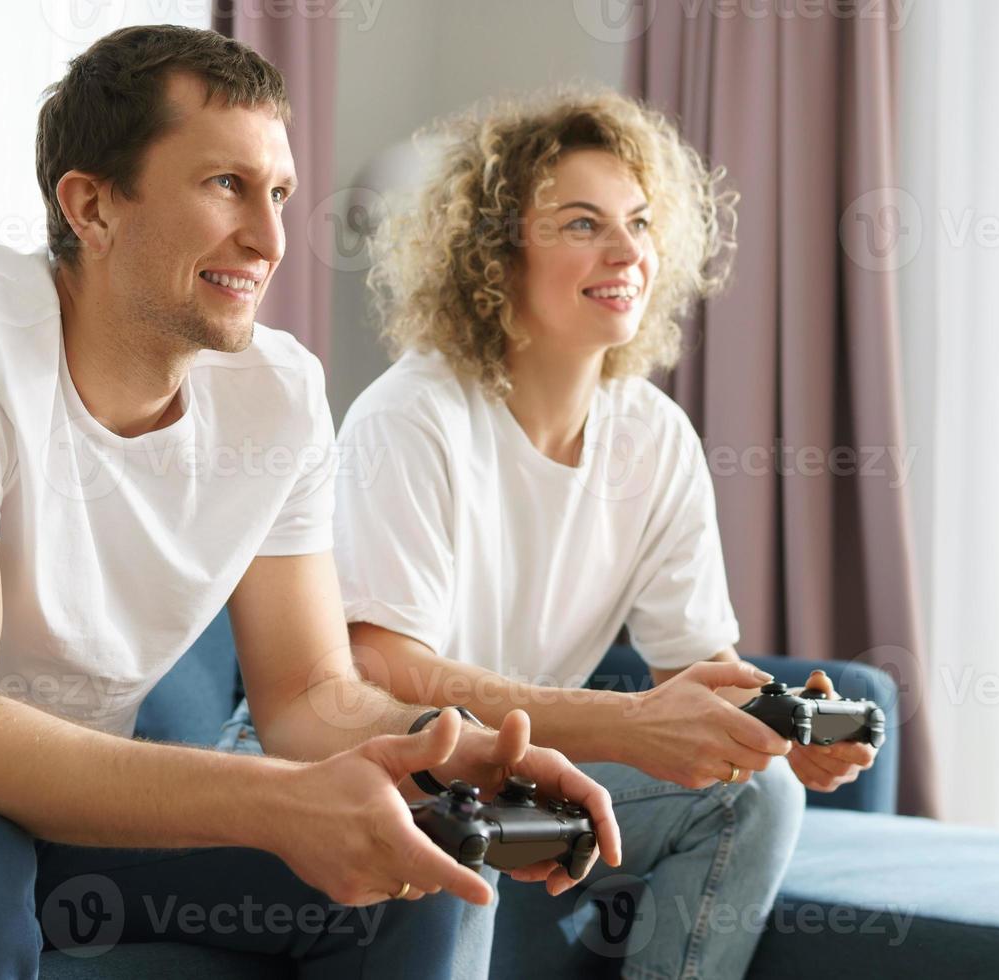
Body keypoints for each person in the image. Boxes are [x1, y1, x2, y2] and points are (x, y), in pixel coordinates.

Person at [0, 28, 620, 978]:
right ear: (91, 206)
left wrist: (440, 755)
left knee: (415, 852)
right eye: (225, 186)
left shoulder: (278, 393)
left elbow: (306, 697)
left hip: (51, 820)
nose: (270, 237)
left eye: (280, 193)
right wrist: (273, 802)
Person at [222, 88, 876, 979]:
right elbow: (381, 667)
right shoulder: (414, 417)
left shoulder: (654, 435)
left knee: (751, 796)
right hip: (372, 751)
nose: (626, 253)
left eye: (639, 224)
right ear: (497, 253)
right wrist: (627, 722)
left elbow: (695, 673)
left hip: (523, 764)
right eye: (581, 224)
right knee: (447, 800)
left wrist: (771, 732)